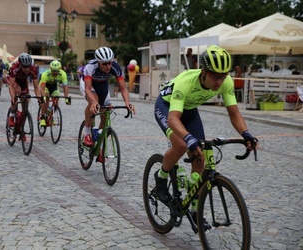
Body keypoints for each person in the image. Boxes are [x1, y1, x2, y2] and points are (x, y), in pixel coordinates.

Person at [153, 45, 259, 227]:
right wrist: (188, 138)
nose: (219, 81)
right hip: (166, 106)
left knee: (200, 160)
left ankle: (195, 210)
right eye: (214, 76)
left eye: (223, 75)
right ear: (203, 72)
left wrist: (246, 133)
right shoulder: (186, 82)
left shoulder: (226, 82)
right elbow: (173, 119)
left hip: (190, 110)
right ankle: (161, 179)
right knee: (181, 145)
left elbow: (234, 113)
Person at [80, 46, 135, 162]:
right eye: (104, 64)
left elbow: (123, 88)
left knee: (105, 112)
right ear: (99, 62)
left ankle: (98, 145)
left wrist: (127, 103)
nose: (108, 66)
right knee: (94, 101)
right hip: (89, 85)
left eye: (110, 63)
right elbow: (88, 89)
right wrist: (94, 102)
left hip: (102, 85)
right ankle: (87, 133)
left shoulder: (115, 67)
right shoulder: (90, 67)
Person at [7, 53, 40, 129]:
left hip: (23, 81)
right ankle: (12, 115)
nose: (27, 69)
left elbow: (36, 87)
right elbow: (11, 86)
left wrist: (39, 98)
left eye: (28, 66)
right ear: (20, 65)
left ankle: (20, 128)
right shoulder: (15, 68)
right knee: (17, 91)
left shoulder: (33, 69)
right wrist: (13, 97)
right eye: (25, 67)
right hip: (13, 81)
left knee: (25, 105)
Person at [38, 60, 71, 126]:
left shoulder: (63, 74)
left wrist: (66, 98)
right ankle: (42, 117)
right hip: (45, 86)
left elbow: (65, 87)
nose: (55, 72)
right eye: (53, 71)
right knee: (46, 100)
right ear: (50, 69)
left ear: (60, 69)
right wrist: (43, 97)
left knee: (56, 101)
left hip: (54, 86)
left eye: (57, 71)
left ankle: (50, 115)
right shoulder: (45, 74)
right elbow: (42, 88)